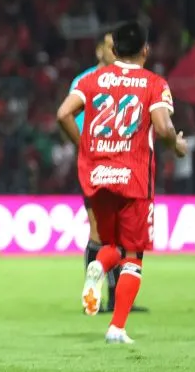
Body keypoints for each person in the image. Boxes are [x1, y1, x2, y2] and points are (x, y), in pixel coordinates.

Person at [57, 21, 187, 344]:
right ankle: (117, 328)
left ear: (113, 49)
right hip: (134, 177)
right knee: (133, 256)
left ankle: (98, 268)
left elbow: (63, 114)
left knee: (110, 244)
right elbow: (163, 127)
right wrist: (176, 145)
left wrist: (86, 149)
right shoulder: (153, 83)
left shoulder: (90, 80)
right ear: (146, 50)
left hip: (98, 175)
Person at [71, 31, 148, 314]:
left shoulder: (126, 80)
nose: (114, 50)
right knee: (98, 232)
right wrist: (88, 151)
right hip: (96, 165)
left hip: (125, 165)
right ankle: (92, 299)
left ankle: (117, 299)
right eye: (109, 46)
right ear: (98, 51)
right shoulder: (85, 81)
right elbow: (72, 119)